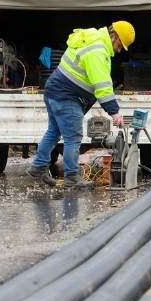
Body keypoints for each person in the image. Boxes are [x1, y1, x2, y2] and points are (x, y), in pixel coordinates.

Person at [27, 21, 135, 188]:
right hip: (67, 96)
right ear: (114, 36)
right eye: (120, 45)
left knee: (53, 132)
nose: (119, 50)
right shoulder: (98, 51)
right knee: (73, 137)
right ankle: (72, 176)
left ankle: (38, 167)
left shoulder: (92, 39)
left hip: (54, 91)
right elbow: (102, 87)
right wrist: (115, 113)